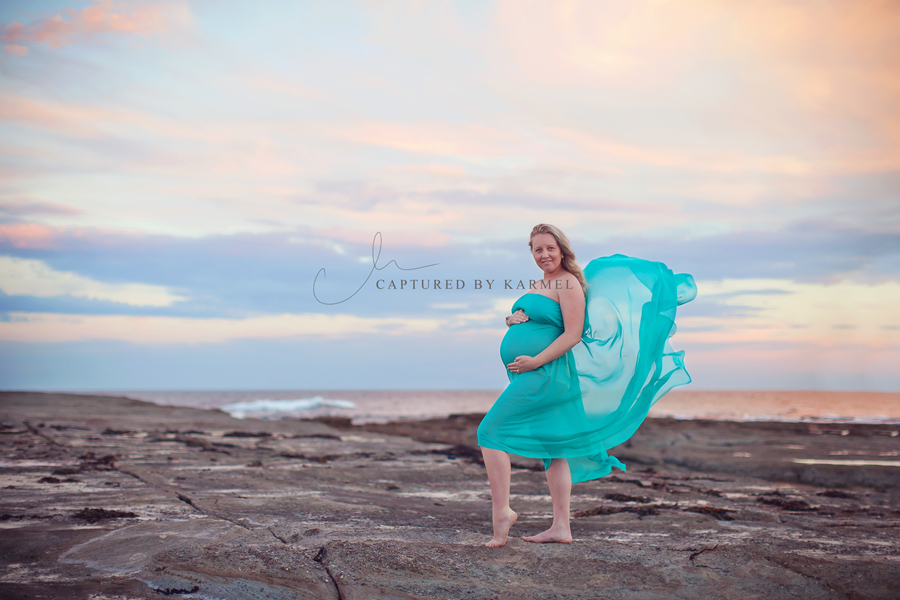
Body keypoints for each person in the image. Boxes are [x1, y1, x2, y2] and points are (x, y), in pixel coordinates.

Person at [477, 224, 696, 547]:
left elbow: (573, 333)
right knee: (556, 451)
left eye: (550, 248)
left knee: (489, 432)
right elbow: (543, 318)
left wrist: (535, 361)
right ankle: (561, 527)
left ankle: (502, 514)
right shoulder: (543, 282)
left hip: (547, 375)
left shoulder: (569, 283)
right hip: (536, 374)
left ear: (562, 250)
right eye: (537, 249)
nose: (544, 254)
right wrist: (512, 319)